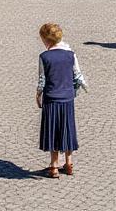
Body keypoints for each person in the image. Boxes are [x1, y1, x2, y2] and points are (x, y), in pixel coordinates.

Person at [36, 22, 84, 177]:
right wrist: (74, 92)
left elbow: (42, 80)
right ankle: (69, 163)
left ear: (46, 40)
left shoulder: (44, 57)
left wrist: (38, 95)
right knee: (67, 129)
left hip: (51, 98)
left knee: (53, 131)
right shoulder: (71, 54)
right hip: (67, 98)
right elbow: (77, 76)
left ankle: (54, 166)